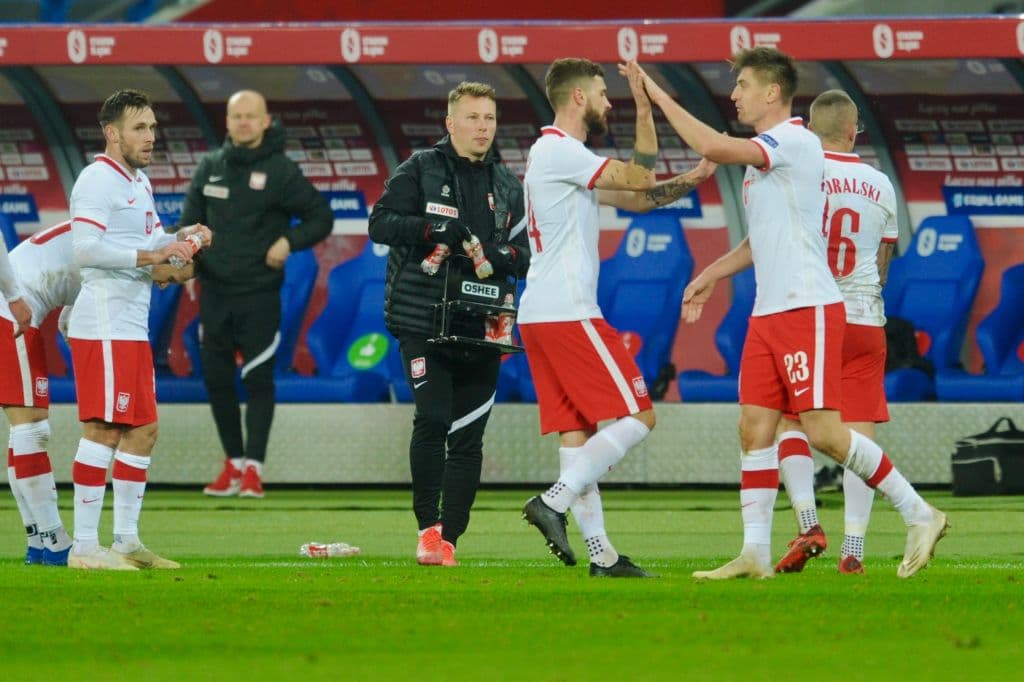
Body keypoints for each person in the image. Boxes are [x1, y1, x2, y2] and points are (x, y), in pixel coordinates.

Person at [637, 48, 947, 579]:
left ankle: (920, 512)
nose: (734, 94)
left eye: (742, 85)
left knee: (825, 432)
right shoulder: (767, 157)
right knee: (753, 428)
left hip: (808, 306)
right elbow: (761, 241)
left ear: (772, 93)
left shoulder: (797, 142)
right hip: (768, 311)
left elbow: (711, 145)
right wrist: (709, 275)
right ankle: (754, 552)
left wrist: (655, 91)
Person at [518, 59, 716, 578]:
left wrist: (693, 177)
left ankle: (603, 557)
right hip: (567, 311)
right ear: (578, 97)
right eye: (604, 94)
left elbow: (640, 197)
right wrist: (646, 103)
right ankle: (553, 501)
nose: (610, 103)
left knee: (576, 434)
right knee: (640, 413)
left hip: (541, 313)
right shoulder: (560, 150)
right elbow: (639, 174)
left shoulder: (561, 158)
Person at [368, 81, 530, 567]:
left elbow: (527, 255)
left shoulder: (507, 186)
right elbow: (380, 223)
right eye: (474, 117)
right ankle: (427, 529)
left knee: (468, 436)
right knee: (434, 418)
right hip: (421, 320)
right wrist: (435, 228)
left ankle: (450, 539)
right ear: (451, 122)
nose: (483, 127)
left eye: (490, 119)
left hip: (484, 325)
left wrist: (502, 255)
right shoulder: (420, 169)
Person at [67, 88, 210, 570]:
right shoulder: (96, 180)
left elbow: (152, 241)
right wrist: (152, 255)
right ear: (112, 133)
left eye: (152, 127)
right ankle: (85, 547)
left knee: (143, 430)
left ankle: (126, 541)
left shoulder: (139, 181)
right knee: (104, 428)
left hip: (130, 324)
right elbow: (85, 249)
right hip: (104, 320)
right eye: (139, 128)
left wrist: (184, 237)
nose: (151, 136)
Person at [1, 221, 192, 567]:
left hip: (20, 307)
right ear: (169, 259)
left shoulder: (112, 246)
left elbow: (68, 321)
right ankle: (56, 541)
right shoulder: (121, 247)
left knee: (25, 429)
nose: (163, 285)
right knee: (30, 428)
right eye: (172, 278)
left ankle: (39, 540)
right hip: (10, 310)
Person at [180, 89, 332, 499]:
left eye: (251, 116)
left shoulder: (281, 171)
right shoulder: (209, 167)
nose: (243, 122)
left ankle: (254, 469)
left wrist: (288, 241)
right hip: (213, 291)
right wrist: (187, 258)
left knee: (258, 377)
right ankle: (232, 463)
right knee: (216, 378)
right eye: (236, 116)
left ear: (266, 121)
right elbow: (187, 224)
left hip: (260, 292)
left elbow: (321, 217)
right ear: (227, 122)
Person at [773, 89, 899, 575]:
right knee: (858, 434)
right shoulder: (880, 183)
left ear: (809, 128)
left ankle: (808, 523)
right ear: (853, 131)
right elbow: (883, 263)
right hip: (866, 318)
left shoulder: (800, 175)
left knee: (790, 421)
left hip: (810, 316)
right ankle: (855, 552)